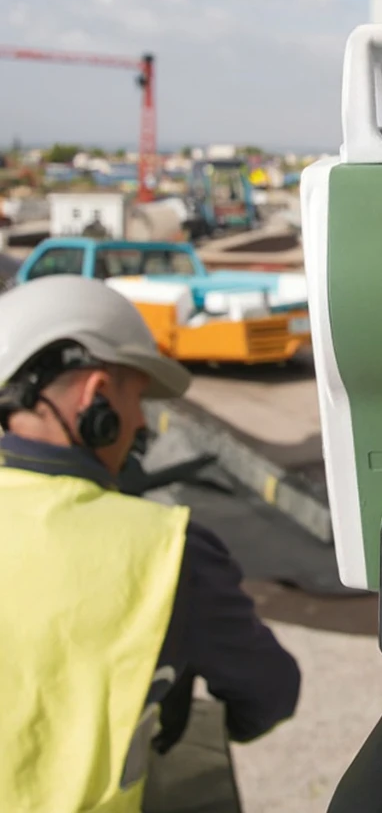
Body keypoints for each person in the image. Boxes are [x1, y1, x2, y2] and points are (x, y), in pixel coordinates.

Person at [0, 274, 301, 812]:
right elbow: (268, 694)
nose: (141, 421)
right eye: (135, 397)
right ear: (96, 396)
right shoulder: (167, 552)